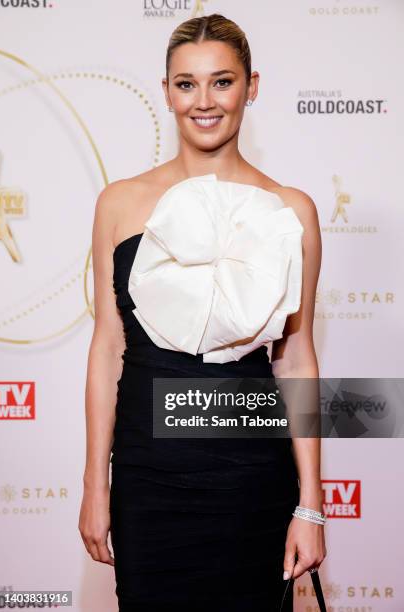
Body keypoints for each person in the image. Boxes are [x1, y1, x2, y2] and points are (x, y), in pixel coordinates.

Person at [78, 12, 326, 612]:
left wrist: (311, 505)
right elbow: (108, 347)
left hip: (251, 477)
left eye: (222, 81)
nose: (204, 101)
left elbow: (294, 359)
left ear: (252, 86)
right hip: (147, 476)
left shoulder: (291, 210)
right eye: (186, 83)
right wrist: (95, 484)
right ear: (166, 91)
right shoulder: (119, 203)